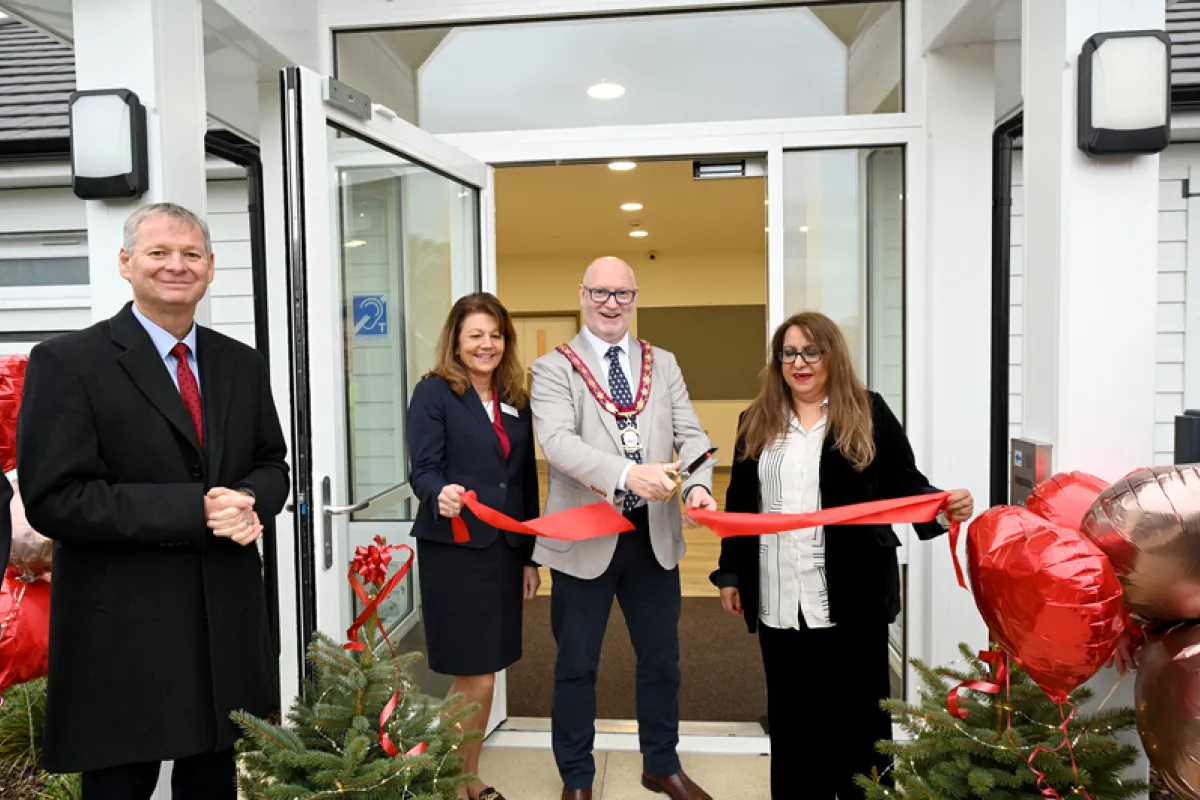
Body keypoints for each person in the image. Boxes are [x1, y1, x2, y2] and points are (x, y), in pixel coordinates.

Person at [16, 203, 290, 800]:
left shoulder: (240, 364)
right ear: (126, 263)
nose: (176, 265)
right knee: (118, 790)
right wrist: (195, 509)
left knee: (211, 787)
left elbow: (273, 464)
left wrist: (247, 498)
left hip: (223, 628)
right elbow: (56, 500)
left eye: (191, 254)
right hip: (124, 634)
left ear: (212, 268)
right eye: (159, 252)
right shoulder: (67, 363)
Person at [709, 311, 974, 800]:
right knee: (792, 723)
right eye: (789, 353)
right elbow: (742, 506)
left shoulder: (868, 412)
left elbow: (905, 485)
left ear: (832, 356)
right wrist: (730, 573)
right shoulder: (757, 419)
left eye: (812, 351)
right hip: (779, 597)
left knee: (859, 725)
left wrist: (942, 507)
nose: (800, 362)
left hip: (852, 597)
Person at [530, 256, 718, 800]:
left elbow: (693, 434)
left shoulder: (664, 362)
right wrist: (627, 473)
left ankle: (661, 764)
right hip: (585, 536)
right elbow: (559, 444)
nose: (611, 303)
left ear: (635, 299)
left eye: (623, 294)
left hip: (653, 538)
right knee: (576, 666)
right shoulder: (552, 368)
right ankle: (577, 779)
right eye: (600, 292)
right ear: (582, 295)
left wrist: (700, 483)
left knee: (661, 661)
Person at [407, 292, 541, 800]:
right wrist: (437, 492)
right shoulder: (435, 394)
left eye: (495, 335)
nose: (487, 345)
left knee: (486, 673)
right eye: (475, 335)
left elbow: (522, 481)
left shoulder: (515, 398)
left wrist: (529, 556)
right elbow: (424, 468)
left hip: (504, 551)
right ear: (456, 343)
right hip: (456, 550)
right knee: (477, 677)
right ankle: (452, 776)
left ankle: (455, 775)